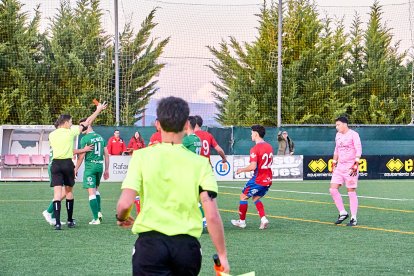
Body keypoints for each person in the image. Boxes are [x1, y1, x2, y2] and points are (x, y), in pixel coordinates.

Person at [116, 96, 229, 275]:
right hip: (187, 249)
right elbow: (212, 215)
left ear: (158, 124)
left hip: (150, 246)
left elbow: (124, 204)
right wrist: (222, 255)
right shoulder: (200, 163)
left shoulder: (141, 157)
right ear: (186, 124)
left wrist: (122, 217)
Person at [48, 102, 107, 230]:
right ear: (65, 123)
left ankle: (57, 223)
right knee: (69, 191)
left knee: (57, 194)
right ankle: (69, 220)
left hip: (56, 164)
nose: (71, 124)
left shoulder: (51, 135)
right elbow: (88, 121)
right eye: (70, 122)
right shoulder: (70, 132)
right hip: (67, 164)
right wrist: (98, 110)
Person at [231, 124, 273, 230]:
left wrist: (241, 169)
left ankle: (242, 222)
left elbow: (253, 166)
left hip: (258, 179)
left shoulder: (255, 149)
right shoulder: (269, 146)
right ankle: (263, 219)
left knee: (243, 197)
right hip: (268, 179)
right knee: (255, 198)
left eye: (251, 133)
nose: (251, 135)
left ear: (256, 133)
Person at [74, 119, 110, 225]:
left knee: (91, 193)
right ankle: (98, 213)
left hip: (90, 167)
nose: (81, 129)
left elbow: (81, 157)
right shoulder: (100, 137)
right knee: (96, 190)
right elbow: (106, 154)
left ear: (88, 125)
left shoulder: (85, 139)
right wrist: (107, 169)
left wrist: (75, 169)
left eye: (82, 126)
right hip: (100, 166)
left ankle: (96, 219)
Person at [329, 116, 362, 227]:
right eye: (336, 125)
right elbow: (337, 149)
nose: (336, 127)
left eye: (338, 125)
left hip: (350, 166)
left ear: (344, 124)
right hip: (340, 166)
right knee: (333, 189)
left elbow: (358, 149)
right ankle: (343, 213)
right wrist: (334, 162)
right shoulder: (338, 135)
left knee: (350, 191)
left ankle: (353, 218)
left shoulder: (354, 134)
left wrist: (356, 164)